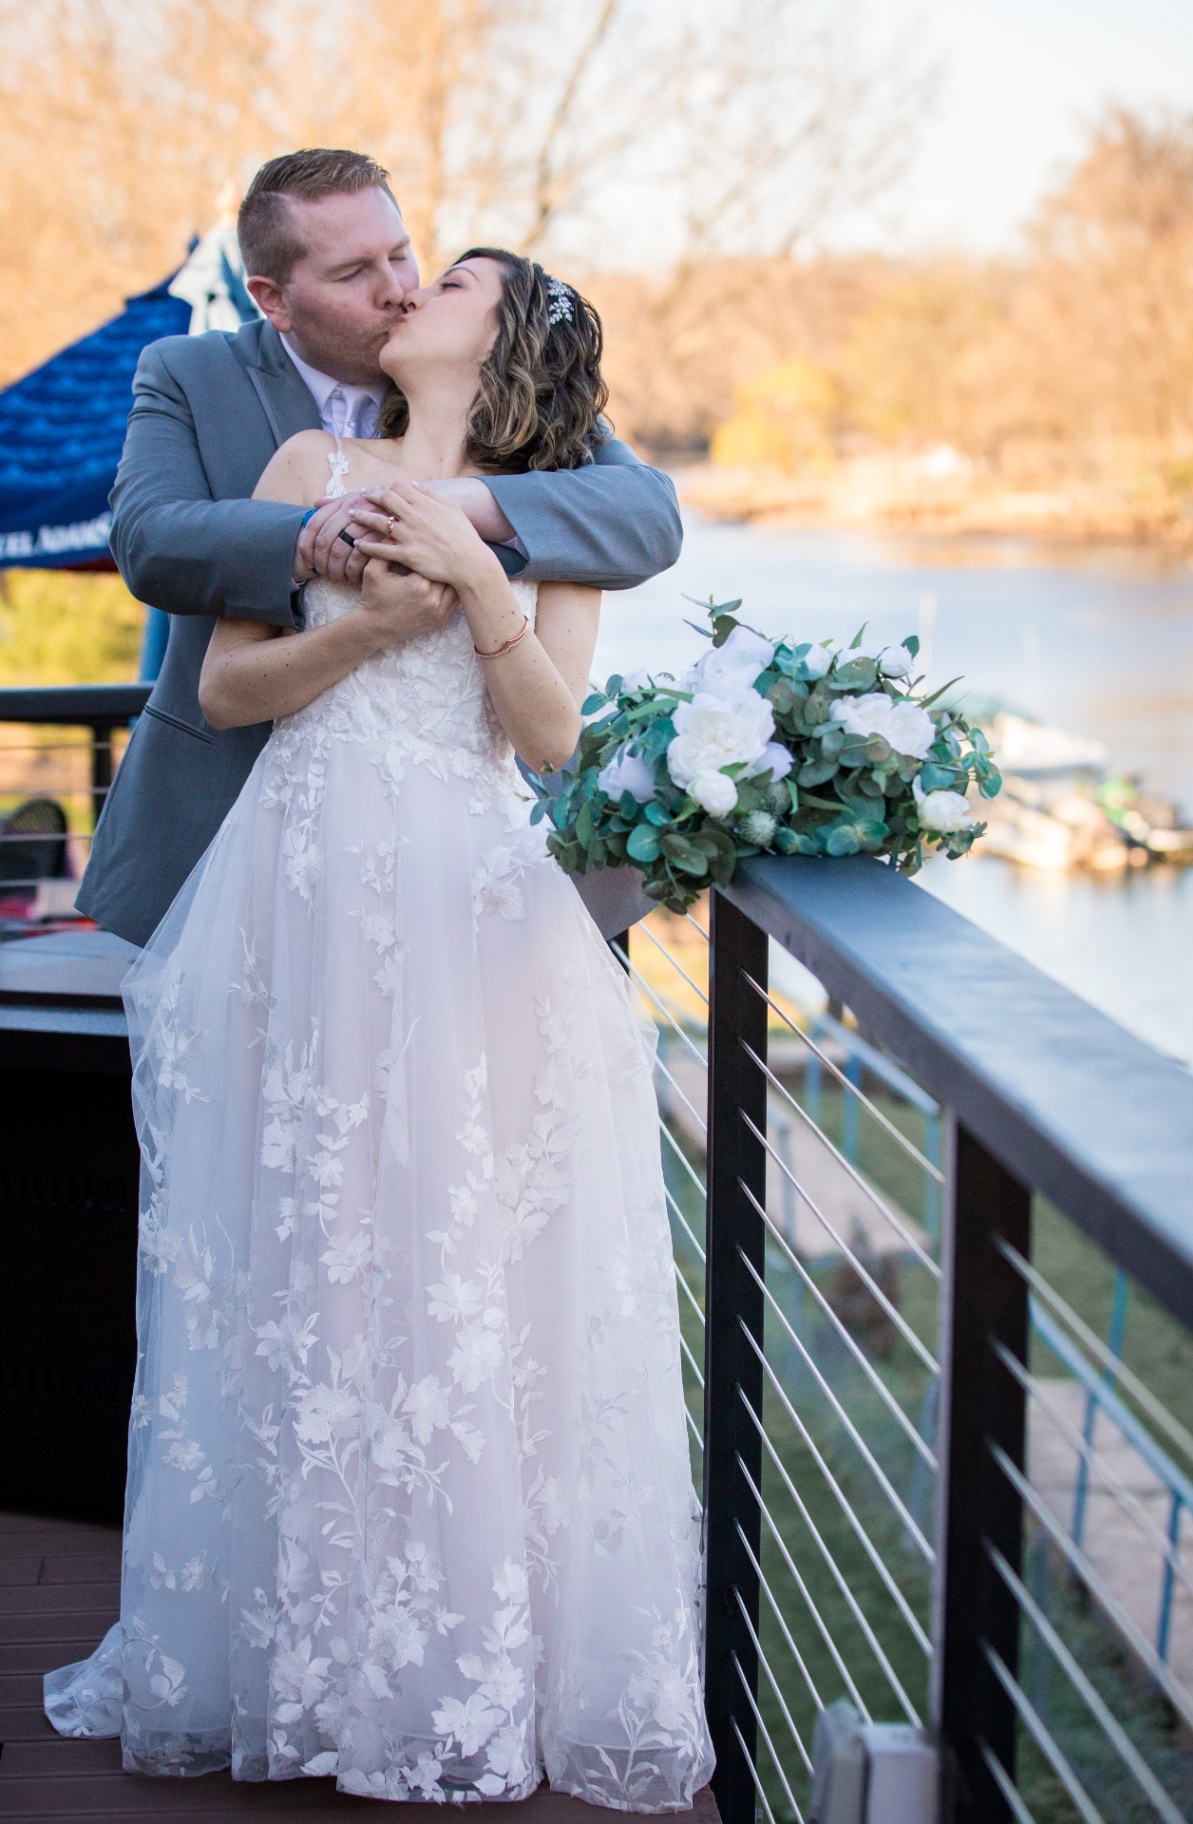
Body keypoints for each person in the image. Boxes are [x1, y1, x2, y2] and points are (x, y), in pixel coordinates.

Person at [44, 245, 714, 1810]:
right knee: (308, 1263)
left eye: (457, 279)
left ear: (512, 335)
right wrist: (366, 619)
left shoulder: (553, 504)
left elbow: (550, 739)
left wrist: (478, 589)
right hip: (301, 901)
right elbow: (225, 688)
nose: (417, 292)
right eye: (402, 271)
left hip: (470, 911)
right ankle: (300, 1654)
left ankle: (457, 1664)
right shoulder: (304, 463)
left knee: (464, 1270)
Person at [76, 148, 676, 949]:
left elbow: (646, 518)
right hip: (228, 828)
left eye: (401, 252)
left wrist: (453, 512)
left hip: (464, 862)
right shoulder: (190, 373)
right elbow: (149, 540)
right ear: (273, 299)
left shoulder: (495, 381)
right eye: (355, 271)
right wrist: (321, 534)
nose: (397, 287)